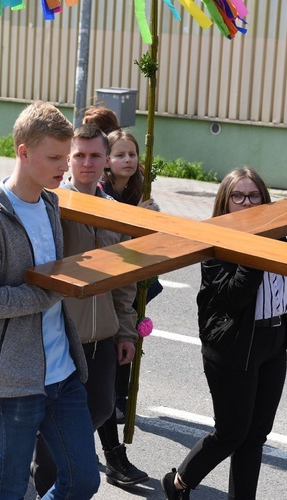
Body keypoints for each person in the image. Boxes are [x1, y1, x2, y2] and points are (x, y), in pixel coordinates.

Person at [0, 101, 100, 499]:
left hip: (63, 371)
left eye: (65, 156)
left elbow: (52, 278)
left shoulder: (51, 202)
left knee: (84, 480)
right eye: (55, 157)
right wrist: (47, 292)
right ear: (23, 152)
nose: (65, 167)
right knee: (7, 490)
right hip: (14, 379)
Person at [162, 167, 287, 500]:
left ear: (265, 199)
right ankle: (178, 482)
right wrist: (255, 247)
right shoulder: (217, 242)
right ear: (225, 202)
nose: (247, 203)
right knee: (232, 433)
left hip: (273, 344)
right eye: (238, 196)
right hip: (233, 348)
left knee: (256, 436)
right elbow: (235, 296)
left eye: (254, 195)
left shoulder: (278, 234)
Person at [31, 124, 148, 493]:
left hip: (105, 336)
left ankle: (56, 457)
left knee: (100, 408)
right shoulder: (51, 205)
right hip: (63, 337)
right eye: (79, 155)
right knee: (58, 424)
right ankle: (47, 470)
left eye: (95, 155)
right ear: (68, 159)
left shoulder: (115, 210)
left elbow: (124, 280)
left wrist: (126, 330)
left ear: (106, 162)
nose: (87, 162)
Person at [102, 128, 163, 423]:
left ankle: (120, 398)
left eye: (132, 154)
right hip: (111, 281)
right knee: (115, 339)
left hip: (134, 282)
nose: (127, 160)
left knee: (127, 337)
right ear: (107, 160)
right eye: (120, 154)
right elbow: (111, 238)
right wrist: (135, 217)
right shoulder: (102, 193)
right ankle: (113, 400)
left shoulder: (136, 189)